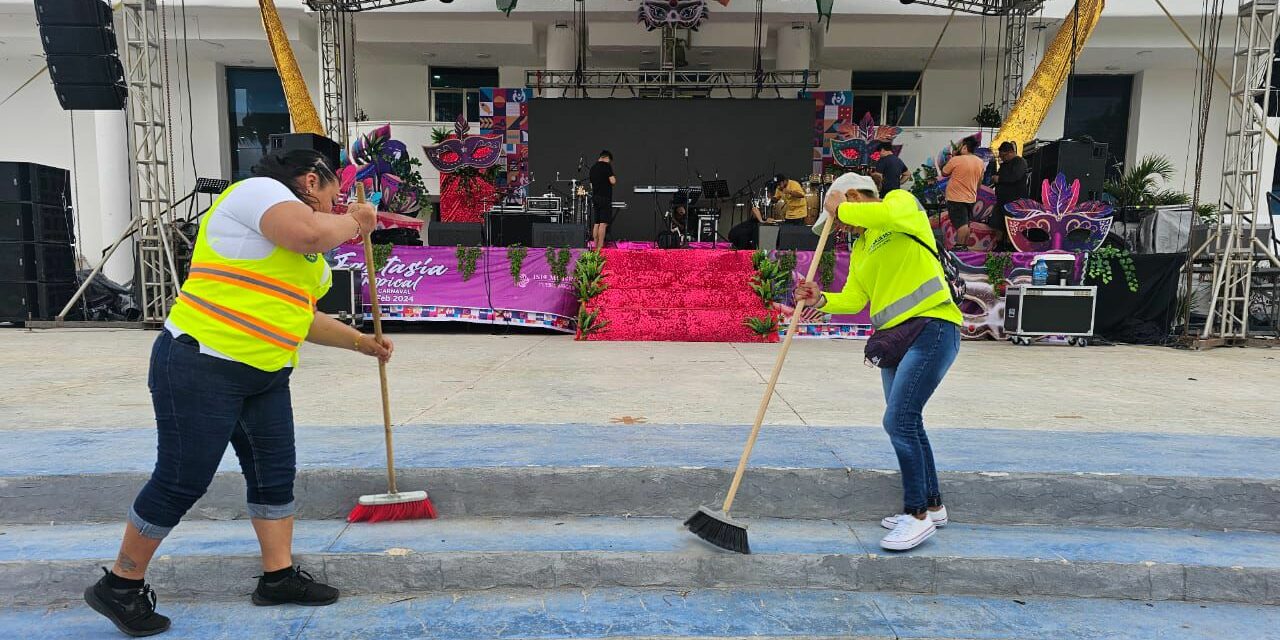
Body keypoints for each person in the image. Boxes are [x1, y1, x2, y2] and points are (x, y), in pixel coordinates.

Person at [84, 149, 394, 637]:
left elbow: (301, 315)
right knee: (182, 478)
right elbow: (309, 232)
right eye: (334, 196)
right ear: (311, 181)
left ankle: (278, 576)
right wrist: (358, 221)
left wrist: (360, 342)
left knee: (274, 475)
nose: (336, 206)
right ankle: (121, 584)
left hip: (265, 373)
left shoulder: (307, 253)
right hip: (202, 362)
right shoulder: (257, 193)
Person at [798, 172, 962, 552]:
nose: (839, 227)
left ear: (854, 197)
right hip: (893, 340)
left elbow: (885, 215)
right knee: (908, 420)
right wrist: (821, 299)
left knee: (898, 420)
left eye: (838, 218)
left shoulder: (899, 205)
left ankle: (916, 516)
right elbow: (855, 299)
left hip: (933, 327)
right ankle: (933, 505)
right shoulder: (861, 246)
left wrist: (842, 208)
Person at [940, 136, 985, 249]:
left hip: (956, 198)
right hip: (971, 198)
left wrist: (953, 157)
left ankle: (959, 248)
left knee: (961, 226)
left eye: (961, 146)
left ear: (965, 147)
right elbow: (980, 182)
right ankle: (964, 248)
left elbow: (944, 172)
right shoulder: (980, 162)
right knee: (966, 225)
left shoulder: (956, 160)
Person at [992, 141, 1029, 250]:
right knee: (998, 224)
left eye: (1003, 156)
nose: (1002, 159)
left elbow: (1015, 176)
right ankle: (998, 246)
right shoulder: (1004, 165)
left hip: (1014, 201)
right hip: (1001, 201)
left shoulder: (1020, 162)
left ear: (1010, 152)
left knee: (1011, 225)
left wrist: (1000, 179)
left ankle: (1010, 247)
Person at [589, 150, 617, 251]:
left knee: (597, 223)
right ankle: (600, 247)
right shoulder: (606, 166)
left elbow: (591, 185)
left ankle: (595, 246)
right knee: (603, 223)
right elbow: (613, 181)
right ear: (606, 158)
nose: (609, 162)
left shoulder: (592, 168)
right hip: (605, 197)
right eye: (609, 160)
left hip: (595, 197)